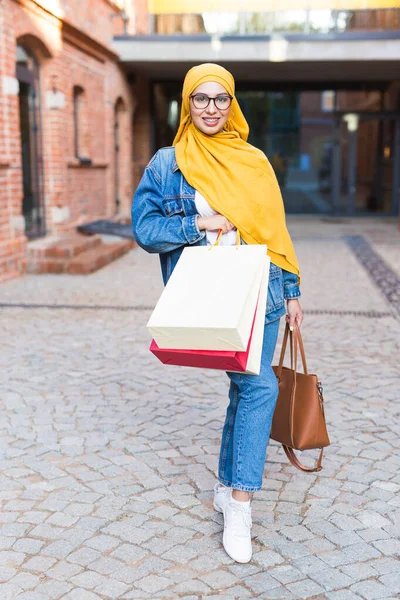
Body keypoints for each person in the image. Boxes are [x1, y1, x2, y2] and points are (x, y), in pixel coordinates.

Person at [132, 63, 303, 564]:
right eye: (201, 98)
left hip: (265, 290)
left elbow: (274, 229)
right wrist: (198, 221)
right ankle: (241, 500)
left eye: (220, 98)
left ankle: (233, 493)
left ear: (233, 104)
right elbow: (145, 229)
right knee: (259, 386)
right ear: (187, 105)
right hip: (209, 293)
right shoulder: (169, 163)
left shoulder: (253, 161)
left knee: (246, 387)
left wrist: (291, 290)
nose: (211, 108)